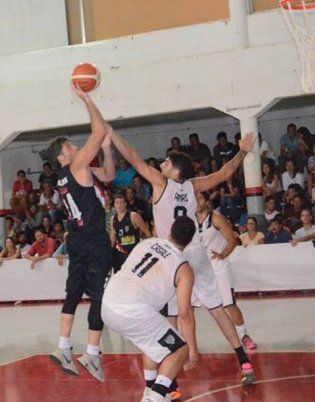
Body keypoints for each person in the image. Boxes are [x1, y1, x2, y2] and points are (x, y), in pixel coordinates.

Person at [109, 126, 256, 387]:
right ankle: (243, 360)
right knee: (216, 307)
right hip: (196, 252)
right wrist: (242, 152)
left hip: (173, 257)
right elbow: (225, 173)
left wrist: (112, 135)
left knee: (171, 315)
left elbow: (133, 157)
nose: (161, 164)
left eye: (166, 162)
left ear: (174, 169)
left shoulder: (160, 183)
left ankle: (171, 380)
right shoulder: (192, 185)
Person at [45, 85, 115, 382]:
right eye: (71, 146)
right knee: (100, 295)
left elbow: (109, 175)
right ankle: (92, 353)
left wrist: (107, 150)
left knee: (73, 293)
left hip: (76, 238)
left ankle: (63, 347)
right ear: (64, 155)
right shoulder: (76, 165)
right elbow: (98, 131)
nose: (76, 147)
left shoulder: (66, 175)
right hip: (94, 239)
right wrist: (87, 99)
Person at [101, 217, 199, 402]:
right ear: (190, 241)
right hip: (131, 310)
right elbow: (185, 314)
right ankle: (156, 397)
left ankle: (149, 389)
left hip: (108, 303)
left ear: (170, 232)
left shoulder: (146, 243)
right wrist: (192, 350)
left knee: (152, 340)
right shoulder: (183, 268)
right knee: (179, 349)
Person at [196, 193, 257, 350]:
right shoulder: (190, 220)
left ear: (207, 202)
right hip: (201, 270)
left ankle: (244, 335)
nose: (196, 201)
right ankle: (189, 343)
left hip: (218, 267)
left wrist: (223, 255)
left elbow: (232, 240)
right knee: (188, 306)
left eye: (200, 198)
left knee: (229, 304)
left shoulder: (216, 219)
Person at [110, 193, 151, 272]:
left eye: (121, 202)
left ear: (125, 204)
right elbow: (112, 237)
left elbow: (146, 231)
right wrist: (109, 251)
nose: (119, 205)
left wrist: (151, 246)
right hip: (120, 253)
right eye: (117, 203)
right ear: (114, 205)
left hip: (134, 252)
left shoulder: (133, 216)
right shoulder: (113, 219)